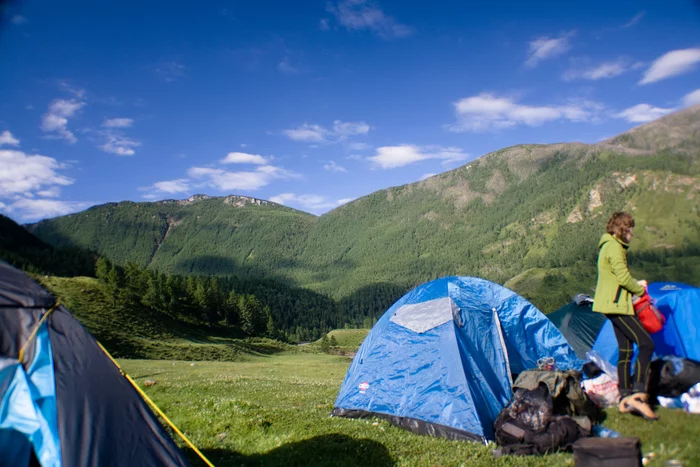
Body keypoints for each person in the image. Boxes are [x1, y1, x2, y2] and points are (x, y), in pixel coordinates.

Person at [592, 212, 657, 420]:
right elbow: (622, 277)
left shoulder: (608, 244)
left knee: (626, 350)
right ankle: (638, 394)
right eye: (630, 229)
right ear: (622, 229)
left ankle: (624, 398)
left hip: (612, 304)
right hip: (617, 305)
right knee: (646, 344)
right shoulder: (614, 246)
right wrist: (639, 289)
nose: (632, 234)